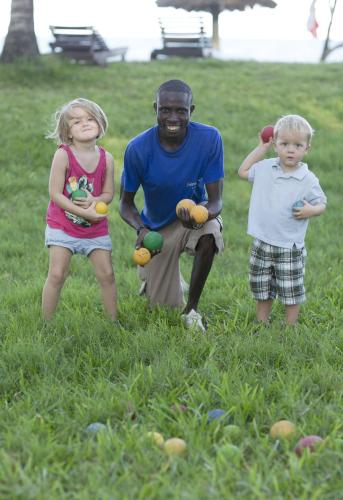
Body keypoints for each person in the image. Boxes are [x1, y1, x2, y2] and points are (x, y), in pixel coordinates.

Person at [120, 79, 224, 332]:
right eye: (165, 110)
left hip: (194, 217)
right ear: (155, 108)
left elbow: (215, 201)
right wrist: (142, 230)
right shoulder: (137, 148)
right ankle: (159, 279)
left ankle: (192, 310)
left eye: (181, 111)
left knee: (209, 231)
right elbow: (125, 204)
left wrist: (203, 215)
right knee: (162, 308)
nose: (173, 117)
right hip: (157, 229)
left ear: (192, 111)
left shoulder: (209, 138)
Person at [238, 114, 327, 325]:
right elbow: (243, 171)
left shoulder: (307, 178)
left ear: (307, 149)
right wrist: (261, 148)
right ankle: (262, 322)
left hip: (289, 244)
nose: (290, 149)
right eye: (284, 144)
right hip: (262, 240)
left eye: (297, 145)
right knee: (261, 286)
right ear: (275, 144)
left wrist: (310, 210)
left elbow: (322, 203)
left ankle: (290, 324)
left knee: (291, 288)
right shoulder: (266, 168)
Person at [42, 98, 117, 321]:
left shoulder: (107, 159)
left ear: (100, 123)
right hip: (62, 226)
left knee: (107, 274)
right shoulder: (63, 154)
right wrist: (85, 213)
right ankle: (46, 324)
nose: (84, 123)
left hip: (95, 229)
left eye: (90, 118)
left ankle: (114, 322)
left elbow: (108, 194)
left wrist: (95, 200)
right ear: (68, 132)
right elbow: (55, 194)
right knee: (57, 274)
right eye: (76, 122)